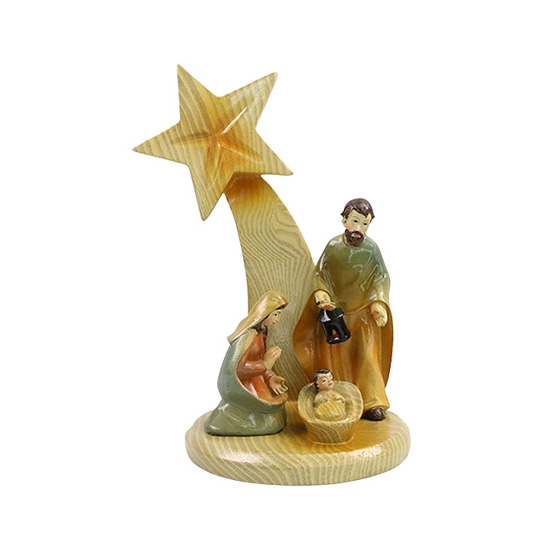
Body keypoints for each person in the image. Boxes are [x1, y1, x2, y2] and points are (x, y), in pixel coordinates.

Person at [294, 198, 393, 421]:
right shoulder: (333, 247)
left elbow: (381, 277)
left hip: (363, 314)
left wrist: (378, 301)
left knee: (367, 356)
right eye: (355, 221)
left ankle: (372, 402)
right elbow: (320, 273)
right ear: (344, 220)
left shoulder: (371, 249)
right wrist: (321, 291)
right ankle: (337, 399)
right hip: (336, 314)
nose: (359, 228)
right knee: (334, 358)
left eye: (365, 223)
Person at [206, 291, 289, 436]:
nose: (278, 319)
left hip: (256, 379)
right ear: (264, 313)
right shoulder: (247, 336)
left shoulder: (261, 331)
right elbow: (238, 369)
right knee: (269, 417)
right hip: (241, 384)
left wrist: (270, 377)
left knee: (276, 410)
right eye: (276, 314)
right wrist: (265, 364)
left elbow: (259, 358)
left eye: (279, 315)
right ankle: (227, 417)